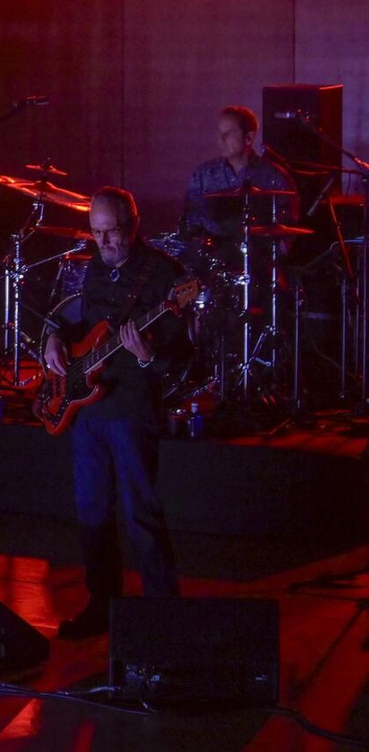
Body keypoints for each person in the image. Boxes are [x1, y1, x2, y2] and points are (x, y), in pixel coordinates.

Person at [43, 187, 185, 639]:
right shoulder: (95, 268)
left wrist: (147, 356)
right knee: (92, 510)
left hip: (131, 406)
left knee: (140, 511)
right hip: (89, 409)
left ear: (134, 225)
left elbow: (183, 355)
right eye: (96, 232)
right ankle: (102, 604)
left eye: (112, 232)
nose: (103, 242)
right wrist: (54, 338)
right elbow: (77, 320)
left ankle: (164, 615)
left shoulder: (164, 275)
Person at [183, 105, 296, 240]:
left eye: (229, 132)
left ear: (249, 137)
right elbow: (190, 222)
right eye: (219, 132)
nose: (221, 139)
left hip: (257, 250)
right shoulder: (203, 175)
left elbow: (288, 228)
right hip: (212, 250)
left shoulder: (273, 177)